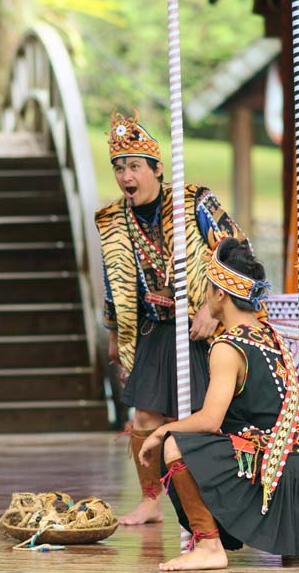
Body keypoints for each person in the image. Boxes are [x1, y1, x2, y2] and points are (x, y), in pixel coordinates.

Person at [138, 238, 299, 570]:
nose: (203, 294)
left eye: (208, 286)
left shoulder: (228, 346)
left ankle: (209, 546)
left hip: (278, 467)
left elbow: (210, 421)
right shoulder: (270, 334)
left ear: (220, 294)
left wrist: (161, 431)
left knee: (176, 446)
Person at [95, 109, 248, 525]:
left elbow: (237, 252)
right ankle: (150, 500)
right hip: (154, 327)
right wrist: (114, 333)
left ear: (157, 169)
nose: (126, 175)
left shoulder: (195, 200)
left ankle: (216, 503)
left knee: (202, 417)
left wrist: (211, 308)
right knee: (144, 417)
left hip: (206, 326)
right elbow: (114, 279)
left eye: (135, 166)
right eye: (119, 168)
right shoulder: (113, 220)